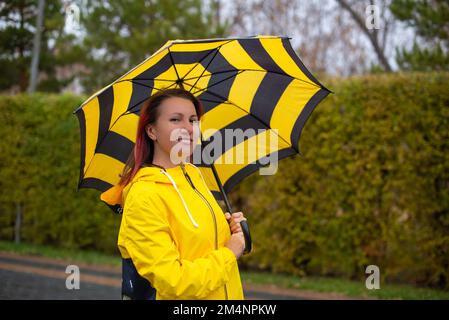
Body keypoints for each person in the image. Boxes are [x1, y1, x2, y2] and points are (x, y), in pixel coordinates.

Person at [101, 88, 247, 300]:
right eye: (175, 120)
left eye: (193, 120)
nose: (188, 128)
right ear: (151, 131)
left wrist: (229, 229)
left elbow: (198, 245)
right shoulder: (144, 195)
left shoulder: (193, 176)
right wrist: (229, 254)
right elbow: (173, 282)